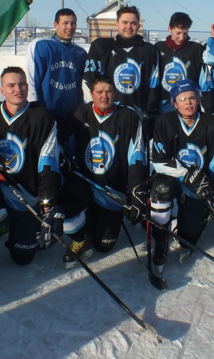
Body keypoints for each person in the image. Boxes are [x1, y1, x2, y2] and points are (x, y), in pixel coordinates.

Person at [0, 66, 61, 286]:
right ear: (1, 90)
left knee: (22, 258)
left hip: (25, 189)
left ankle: (7, 224)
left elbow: (48, 160)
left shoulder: (41, 116)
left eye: (22, 84)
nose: (18, 89)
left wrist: (48, 204)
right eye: (11, 85)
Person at [56, 74, 148, 268]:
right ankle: (81, 237)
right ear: (91, 94)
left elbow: (137, 157)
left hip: (112, 189)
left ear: (114, 92)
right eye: (99, 92)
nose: (104, 96)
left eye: (109, 91)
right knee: (62, 198)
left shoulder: (129, 117)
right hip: (84, 181)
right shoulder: (79, 113)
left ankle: (98, 221)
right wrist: (62, 158)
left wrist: (136, 192)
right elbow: (55, 141)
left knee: (104, 245)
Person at [149, 80, 214, 272]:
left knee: (188, 239)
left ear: (199, 100)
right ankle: (161, 239)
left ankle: (179, 222)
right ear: (174, 104)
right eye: (182, 99)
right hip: (172, 179)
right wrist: (188, 174)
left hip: (198, 185)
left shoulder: (213, 124)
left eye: (192, 98)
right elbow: (159, 160)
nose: (188, 103)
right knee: (160, 187)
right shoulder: (165, 122)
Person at [83, 5, 160, 126]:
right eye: (125, 22)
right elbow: (89, 81)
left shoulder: (149, 50)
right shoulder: (101, 47)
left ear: (138, 26)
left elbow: (153, 84)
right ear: (117, 24)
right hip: (106, 116)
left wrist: (150, 112)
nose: (129, 27)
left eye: (133, 23)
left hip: (137, 116)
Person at [24, 8, 87, 121]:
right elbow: (32, 80)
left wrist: (81, 110)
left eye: (73, 23)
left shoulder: (80, 52)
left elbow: (80, 86)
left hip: (72, 115)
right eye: (65, 23)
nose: (70, 27)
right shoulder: (41, 45)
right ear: (56, 24)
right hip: (47, 113)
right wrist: (35, 109)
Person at [155, 11, 214, 114]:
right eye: (178, 33)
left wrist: (208, 108)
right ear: (169, 29)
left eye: (185, 33)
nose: (182, 37)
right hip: (164, 107)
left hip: (189, 107)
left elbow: (204, 81)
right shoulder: (158, 48)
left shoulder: (196, 49)